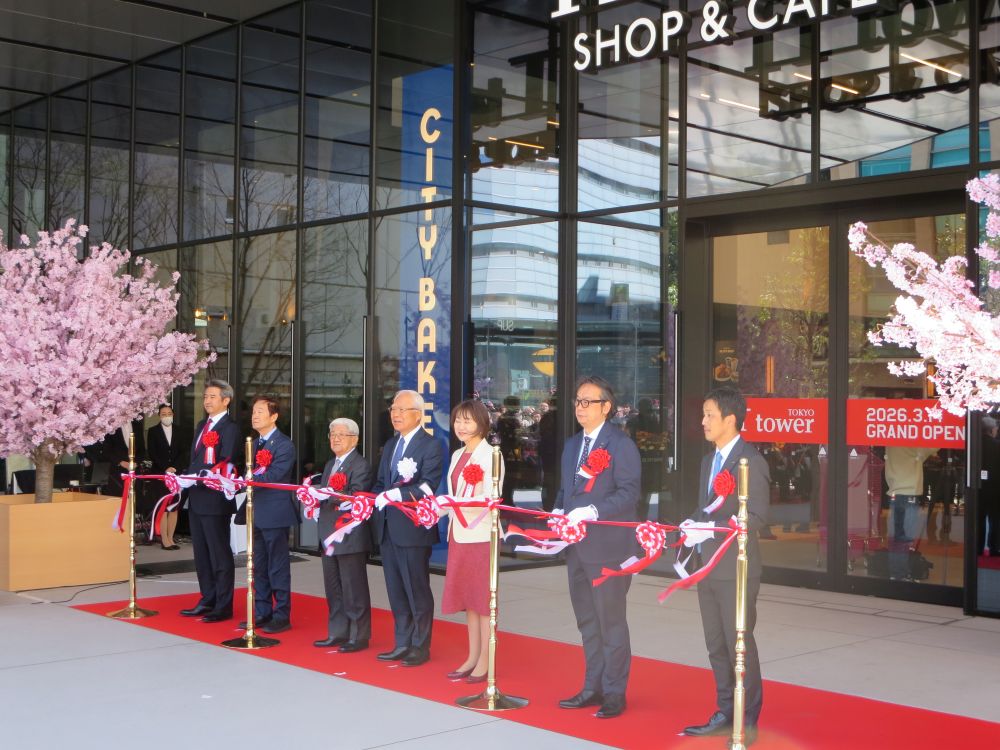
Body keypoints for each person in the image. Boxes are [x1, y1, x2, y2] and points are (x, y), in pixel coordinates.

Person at [683, 386, 770, 746]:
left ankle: (746, 719)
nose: (702, 422)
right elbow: (705, 508)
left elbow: (758, 517)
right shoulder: (709, 460)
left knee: (739, 645)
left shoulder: (752, 461)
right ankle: (724, 710)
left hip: (736, 567)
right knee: (715, 643)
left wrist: (714, 528)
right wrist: (690, 525)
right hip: (707, 565)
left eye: (709, 415)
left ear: (730, 420)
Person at [556, 375, 641, 720]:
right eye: (577, 401)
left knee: (611, 621)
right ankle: (593, 685)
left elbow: (629, 492)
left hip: (608, 548)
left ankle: (615, 692)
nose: (580, 407)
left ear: (607, 407)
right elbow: (566, 491)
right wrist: (558, 512)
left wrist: (593, 511)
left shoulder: (621, 445)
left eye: (588, 402)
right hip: (576, 548)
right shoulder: (571, 445)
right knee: (587, 621)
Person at [371, 390, 445, 667]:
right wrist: (373, 499)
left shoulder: (431, 445)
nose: (395, 414)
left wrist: (397, 496)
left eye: (401, 410)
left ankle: (419, 645)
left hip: (413, 529)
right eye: (393, 409)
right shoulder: (391, 445)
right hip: (389, 526)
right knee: (395, 588)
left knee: (416, 589)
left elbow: (428, 485)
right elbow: (381, 482)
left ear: (418, 413)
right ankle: (402, 641)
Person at [441, 399, 504, 684]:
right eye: (458, 421)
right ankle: (472, 655)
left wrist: (456, 503)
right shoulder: (457, 455)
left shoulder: (491, 455)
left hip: (480, 535)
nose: (461, 426)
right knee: (468, 599)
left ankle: (485, 660)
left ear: (482, 422)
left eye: (467, 420)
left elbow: (492, 498)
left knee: (481, 600)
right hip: (459, 533)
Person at [179, 379, 240, 623]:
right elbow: (195, 457)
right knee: (201, 553)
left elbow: (226, 459)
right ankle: (207, 598)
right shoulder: (202, 425)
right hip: (196, 496)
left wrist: (200, 474)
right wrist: (184, 475)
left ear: (226, 400)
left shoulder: (230, 427)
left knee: (219, 553)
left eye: (213, 396)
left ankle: (223, 604)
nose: (207, 401)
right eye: (206, 396)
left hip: (215, 499)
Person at [314, 417, 373, 652]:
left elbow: (356, 495)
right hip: (328, 533)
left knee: (353, 587)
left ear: (354, 439)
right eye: (332, 434)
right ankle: (338, 632)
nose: (335, 439)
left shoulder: (360, 465)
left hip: (349, 535)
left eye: (341, 434)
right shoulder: (331, 464)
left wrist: (325, 495)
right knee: (334, 586)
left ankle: (359, 635)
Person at [244, 396, 298, 634]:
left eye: (260, 412)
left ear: (274, 416)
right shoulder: (254, 444)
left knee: (277, 565)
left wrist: (248, 479)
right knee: (259, 565)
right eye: (253, 411)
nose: (255, 415)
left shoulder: (284, 444)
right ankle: (262, 611)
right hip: (256, 510)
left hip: (275, 512)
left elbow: (276, 475)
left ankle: (282, 614)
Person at [884, 445, 936, 580]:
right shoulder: (914, 443)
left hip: (895, 493)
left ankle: (895, 573)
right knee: (905, 538)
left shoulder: (890, 442)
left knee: (896, 538)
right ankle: (900, 574)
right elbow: (934, 445)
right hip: (910, 495)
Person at [147, 404, 182, 550]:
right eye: (163, 413)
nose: (166, 416)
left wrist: (175, 467)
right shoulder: (153, 431)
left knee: (174, 507)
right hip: (160, 474)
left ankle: (171, 537)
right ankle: (164, 539)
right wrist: (165, 468)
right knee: (163, 506)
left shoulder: (180, 431)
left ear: (173, 414)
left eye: (169, 413)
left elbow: (183, 451)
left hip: (176, 474)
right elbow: (152, 452)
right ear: (159, 415)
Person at [979, 416, 1000, 557]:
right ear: (992, 429)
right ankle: (994, 547)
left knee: (978, 518)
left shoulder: (974, 444)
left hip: (978, 487)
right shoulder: (997, 445)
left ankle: (977, 547)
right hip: (995, 487)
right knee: (995, 519)